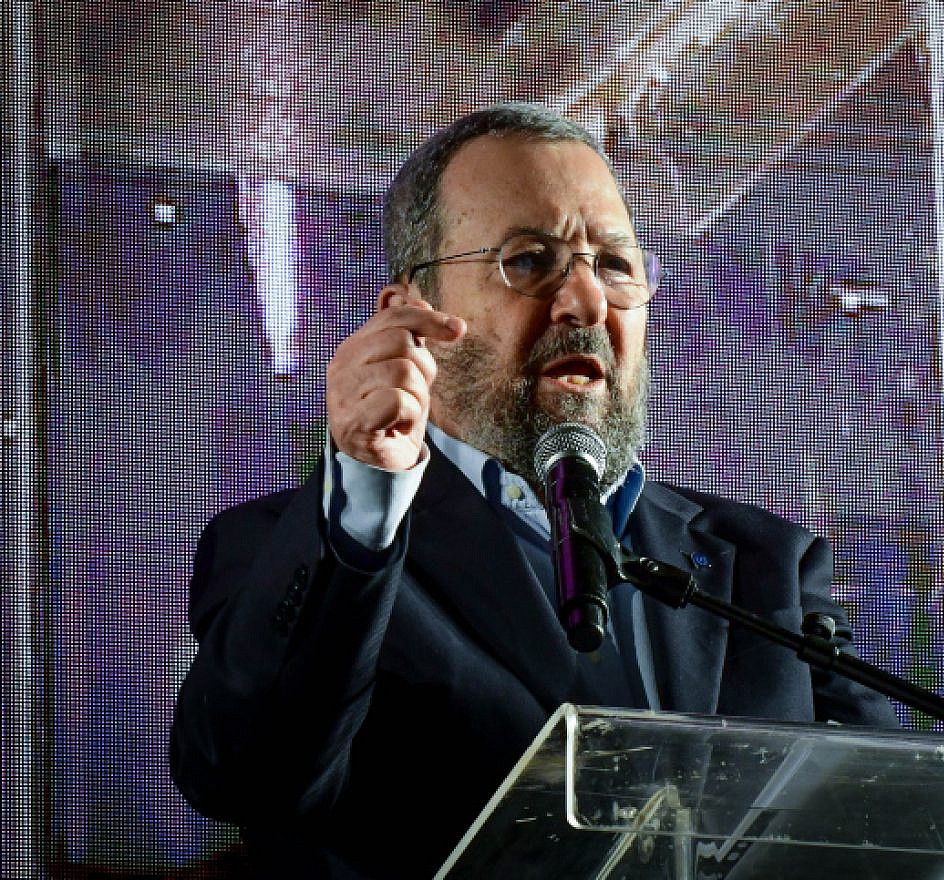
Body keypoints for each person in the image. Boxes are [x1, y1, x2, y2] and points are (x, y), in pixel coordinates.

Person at [170, 102, 898, 879]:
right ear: (413, 315)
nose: (585, 304)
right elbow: (246, 776)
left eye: (615, 266)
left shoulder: (768, 566)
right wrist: (362, 506)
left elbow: (896, 818)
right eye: (529, 260)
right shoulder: (306, 547)